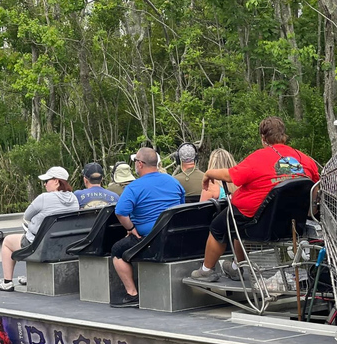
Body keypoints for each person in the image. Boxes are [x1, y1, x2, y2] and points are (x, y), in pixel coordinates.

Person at [190, 117, 320, 283]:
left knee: (218, 226)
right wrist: (312, 211)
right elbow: (315, 186)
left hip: (260, 221)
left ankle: (206, 270)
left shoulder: (258, 158)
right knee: (237, 223)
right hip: (293, 223)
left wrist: (209, 173)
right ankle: (237, 267)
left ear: (263, 138)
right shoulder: (304, 159)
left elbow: (230, 176)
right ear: (284, 136)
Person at [111, 147, 185, 307]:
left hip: (149, 241)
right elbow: (181, 207)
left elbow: (120, 212)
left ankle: (132, 294)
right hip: (176, 239)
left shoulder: (134, 187)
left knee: (117, 250)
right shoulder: (174, 182)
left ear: (140, 164)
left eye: (135, 161)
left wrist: (130, 228)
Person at [0, 166, 79, 291]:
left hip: (41, 248)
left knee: (8, 241)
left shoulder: (44, 198)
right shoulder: (74, 199)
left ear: (56, 181)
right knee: (35, 234)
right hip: (65, 247)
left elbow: (27, 215)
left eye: (47, 181)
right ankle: (31, 276)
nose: (45, 184)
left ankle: (7, 282)